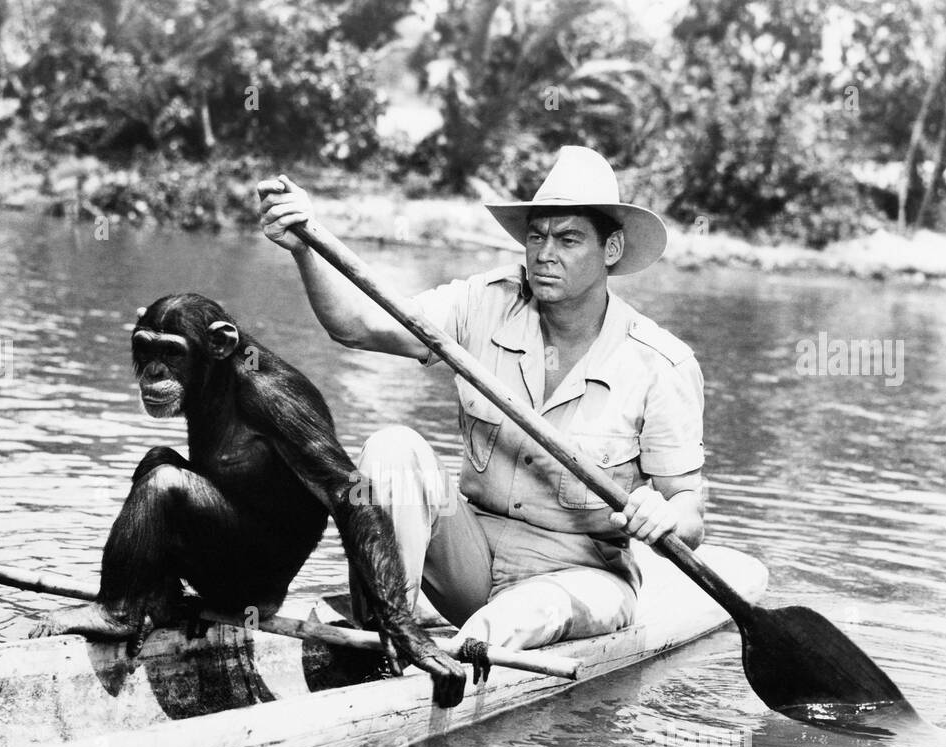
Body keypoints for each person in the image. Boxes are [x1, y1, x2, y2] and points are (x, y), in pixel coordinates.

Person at [256, 145, 706, 653]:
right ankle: (387, 636)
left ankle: (450, 661)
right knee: (392, 447)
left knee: (522, 614)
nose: (544, 254)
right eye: (536, 236)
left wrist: (666, 514)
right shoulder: (482, 303)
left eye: (569, 239)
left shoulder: (661, 364)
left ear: (611, 250)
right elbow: (357, 326)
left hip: (578, 579)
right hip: (473, 563)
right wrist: (306, 249)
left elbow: (689, 510)